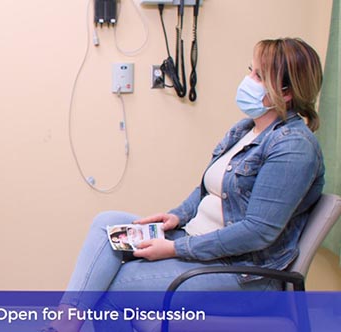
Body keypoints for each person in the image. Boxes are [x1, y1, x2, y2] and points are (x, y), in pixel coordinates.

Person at [45, 37, 325, 332]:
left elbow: (257, 232)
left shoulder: (293, 147)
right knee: (107, 223)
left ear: (287, 91)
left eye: (257, 75)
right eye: (250, 71)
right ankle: (63, 325)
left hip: (243, 275)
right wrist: (177, 215)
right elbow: (207, 189)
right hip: (197, 242)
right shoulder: (245, 129)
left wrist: (176, 248)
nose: (248, 80)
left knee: (111, 293)